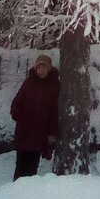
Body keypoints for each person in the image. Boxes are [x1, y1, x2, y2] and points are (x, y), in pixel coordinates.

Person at [10, 52, 60, 180]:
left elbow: (55, 111)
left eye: (44, 67)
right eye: (39, 67)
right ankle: (15, 192)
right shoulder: (29, 83)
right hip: (24, 132)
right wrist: (21, 118)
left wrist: (52, 133)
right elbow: (16, 104)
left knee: (32, 167)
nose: (41, 70)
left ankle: (28, 194)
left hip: (40, 134)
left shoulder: (54, 86)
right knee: (20, 166)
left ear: (49, 68)